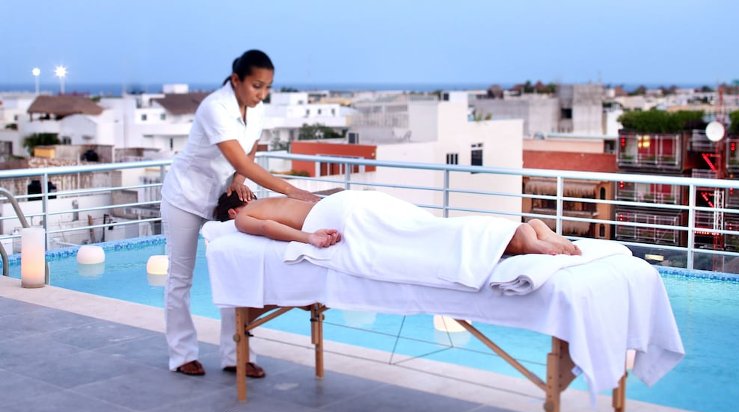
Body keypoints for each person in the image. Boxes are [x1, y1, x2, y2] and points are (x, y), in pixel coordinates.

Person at [160, 49, 318, 377]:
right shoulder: (214, 107)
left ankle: (237, 356)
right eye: (257, 86)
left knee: (233, 271)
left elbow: (249, 152)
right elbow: (240, 159)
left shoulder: (256, 110)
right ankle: (182, 354)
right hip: (185, 197)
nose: (262, 94)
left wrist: (239, 180)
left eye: (267, 87)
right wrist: (290, 191)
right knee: (180, 278)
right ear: (236, 80)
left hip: (223, 199)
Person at [214, 190, 581, 257]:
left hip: (339, 216)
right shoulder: (266, 200)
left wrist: (308, 237)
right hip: (351, 201)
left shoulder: (244, 216)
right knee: (426, 226)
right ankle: (528, 228)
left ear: (230, 213)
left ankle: (515, 238)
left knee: (424, 238)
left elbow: (267, 230)